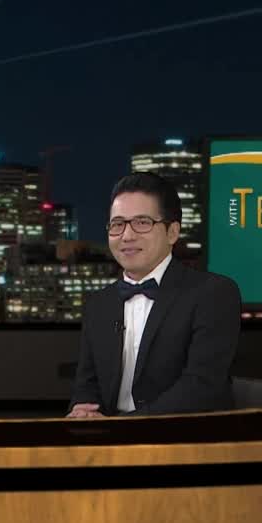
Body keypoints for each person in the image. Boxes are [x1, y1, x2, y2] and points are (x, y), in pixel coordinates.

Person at [67, 172, 241, 418]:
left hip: (186, 435)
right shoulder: (99, 303)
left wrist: (124, 426)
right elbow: (87, 384)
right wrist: (82, 410)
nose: (127, 236)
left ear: (172, 232)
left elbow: (201, 386)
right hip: (109, 435)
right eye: (117, 224)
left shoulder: (212, 294)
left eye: (142, 223)